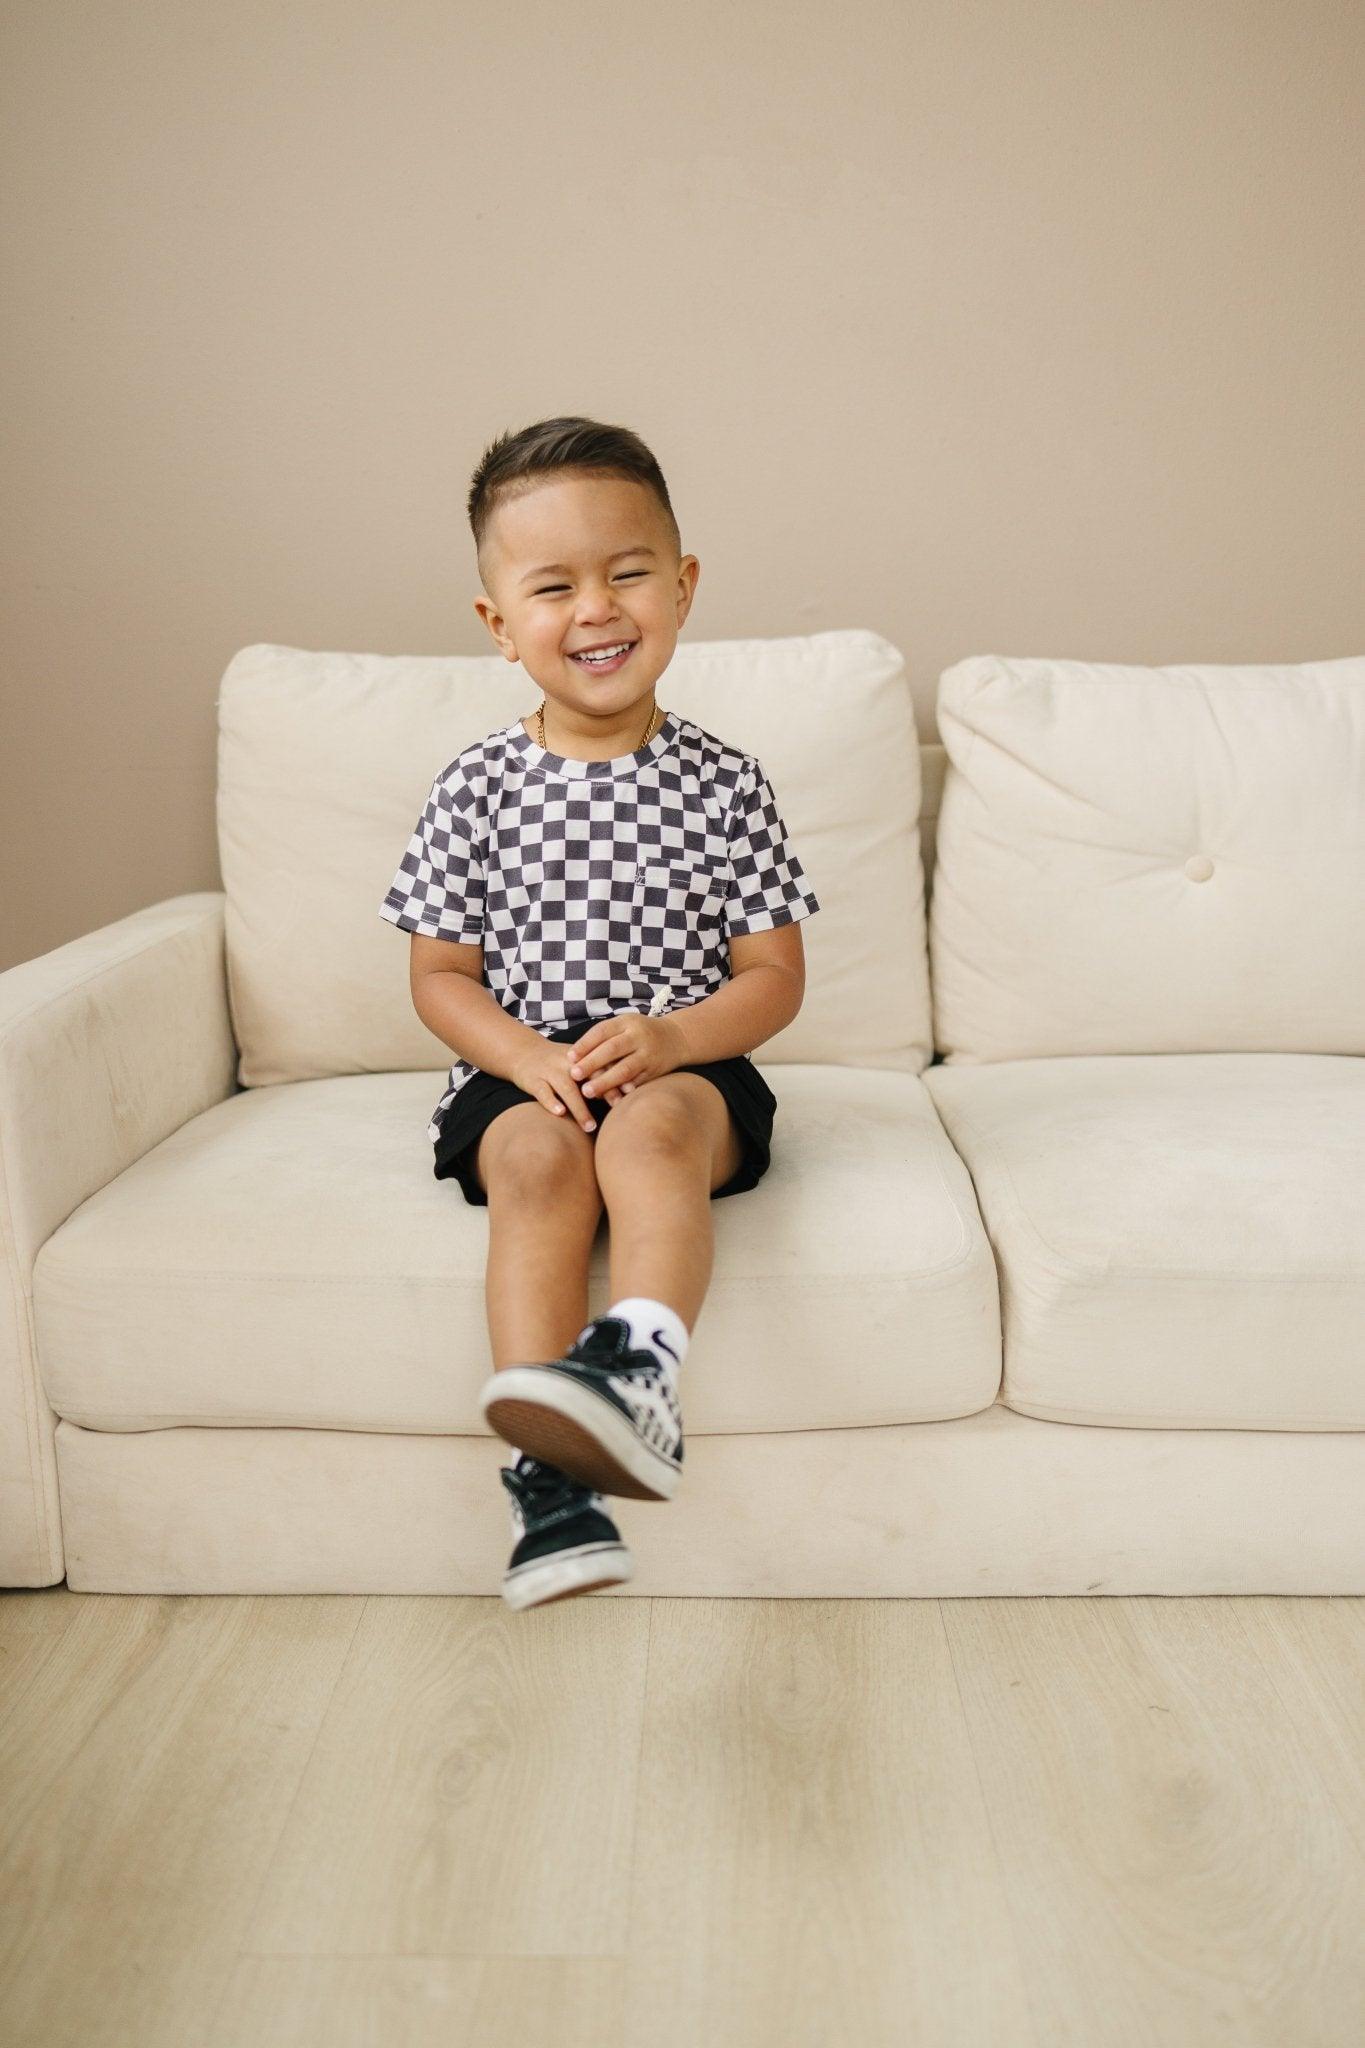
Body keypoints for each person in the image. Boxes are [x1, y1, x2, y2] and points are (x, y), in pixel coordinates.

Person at [379, 415, 821, 1610]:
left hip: (686, 1065)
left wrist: (675, 1037)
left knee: (648, 1133)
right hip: (523, 1066)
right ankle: (549, 1481)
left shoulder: (726, 781)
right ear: (498, 623)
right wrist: (521, 1058)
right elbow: (440, 976)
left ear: (681, 586)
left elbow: (773, 979)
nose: (597, 608)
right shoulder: (476, 785)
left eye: (628, 572)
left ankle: (640, 1369)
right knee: (531, 1162)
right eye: (553, 585)